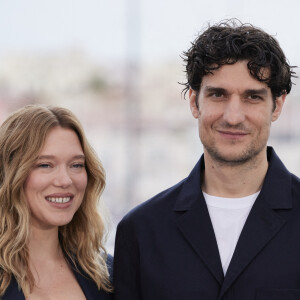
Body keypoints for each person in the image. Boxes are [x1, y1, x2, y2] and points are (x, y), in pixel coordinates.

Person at [113, 19, 299, 299]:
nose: (233, 117)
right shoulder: (140, 231)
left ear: (278, 105)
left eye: (252, 97)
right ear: (193, 101)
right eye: (218, 95)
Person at [0, 105, 113, 299]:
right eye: (45, 165)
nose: (65, 180)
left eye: (76, 165)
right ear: (10, 175)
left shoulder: (107, 275)